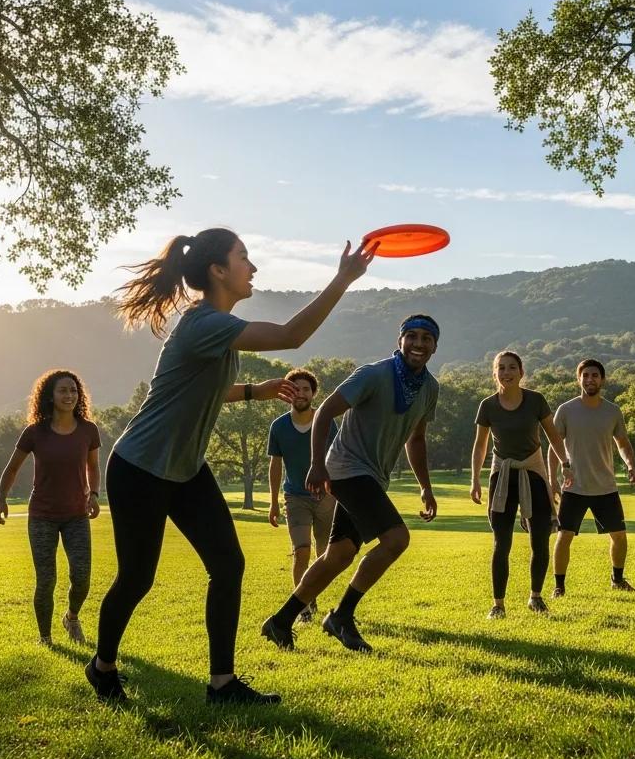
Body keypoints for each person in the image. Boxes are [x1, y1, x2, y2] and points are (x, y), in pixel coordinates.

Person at [85, 228, 374, 705]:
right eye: (244, 257)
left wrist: (251, 392)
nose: (253, 267)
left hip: (185, 470)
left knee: (228, 564)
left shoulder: (214, 328)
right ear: (218, 270)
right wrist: (342, 279)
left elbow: (199, 388)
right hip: (141, 466)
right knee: (137, 578)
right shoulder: (204, 324)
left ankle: (222, 684)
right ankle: (103, 667)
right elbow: (291, 336)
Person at [262, 314, 440, 654]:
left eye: (426, 338)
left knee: (339, 554)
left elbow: (416, 440)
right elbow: (326, 411)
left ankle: (281, 621)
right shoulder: (374, 374)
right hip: (346, 468)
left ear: (434, 346)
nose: (418, 343)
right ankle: (342, 616)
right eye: (412, 336)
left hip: (373, 476)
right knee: (396, 539)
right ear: (400, 340)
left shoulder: (429, 389)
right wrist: (317, 464)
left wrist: (426, 486)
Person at [0, 370, 101, 646]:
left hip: (77, 515)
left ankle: (72, 617)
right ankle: (45, 638)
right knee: (46, 580)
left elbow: (93, 467)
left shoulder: (88, 430)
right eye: (63, 391)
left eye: (74, 390)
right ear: (50, 396)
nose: (69, 395)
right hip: (42, 516)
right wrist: (1, 499)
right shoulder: (35, 432)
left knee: (82, 576)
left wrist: (94, 494)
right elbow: (12, 468)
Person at [470, 351, 572, 618]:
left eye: (512, 367)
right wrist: (475, 481)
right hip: (502, 476)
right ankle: (498, 604)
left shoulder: (536, 400)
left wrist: (565, 463)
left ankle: (535, 597)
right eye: (501, 368)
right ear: (495, 373)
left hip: (533, 473)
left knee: (540, 540)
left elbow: (553, 435)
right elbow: (480, 446)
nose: (506, 372)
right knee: (500, 543)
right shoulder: (488, 406)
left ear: (521, 372)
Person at [547, 359, 635, 598]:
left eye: (595, 375)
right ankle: (559, 586)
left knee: (619, 536)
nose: (590, 379)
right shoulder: (566, 410)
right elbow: (554, 446)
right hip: (574, 486)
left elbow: (623, 443)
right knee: (564, 535)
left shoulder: (612, 411)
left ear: (602, 379)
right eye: (585, 375)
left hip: (605, 487)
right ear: (578, 379)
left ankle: (617, 580)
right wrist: (552, 478)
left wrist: (631, 465)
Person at [266, 367, 338, 614]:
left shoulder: (327, 423)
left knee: (323, 553)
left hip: (326, 498)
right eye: (295, 389)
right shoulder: (278, 427)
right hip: (295, 497)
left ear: (313, 394)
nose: (300, 393)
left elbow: (337, 458)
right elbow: (275, 465)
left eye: (306, 389)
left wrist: (338, 494)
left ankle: (311, 596)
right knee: (301, 550)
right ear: (287, 393)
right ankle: (303, 608)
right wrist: (274, 502)